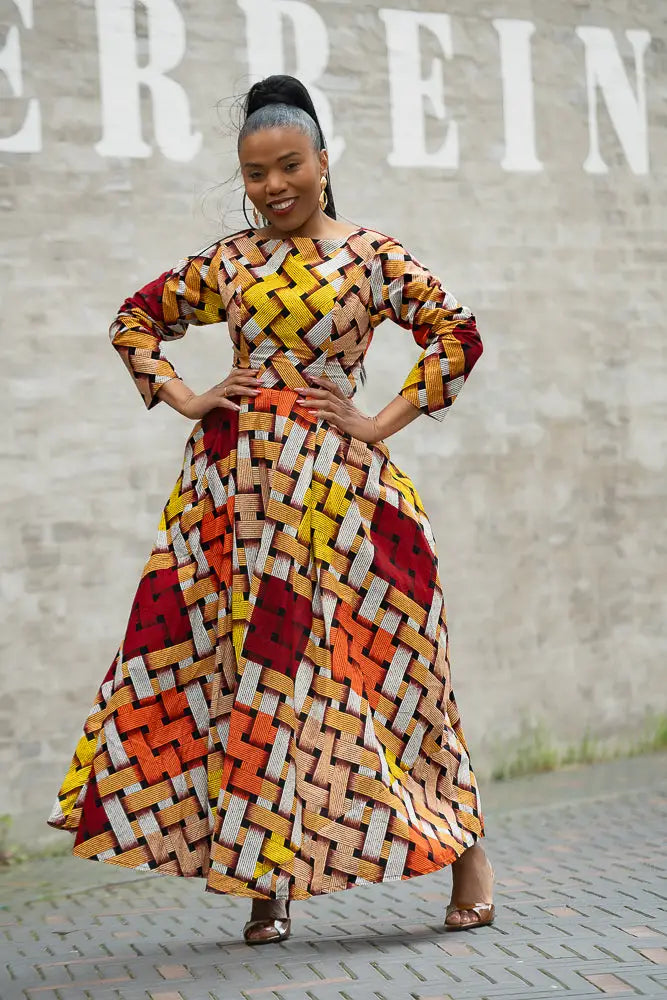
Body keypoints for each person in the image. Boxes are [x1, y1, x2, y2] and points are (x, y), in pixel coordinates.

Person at [48, 74, 494, 944]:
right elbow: (135, 320)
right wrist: (185, 396)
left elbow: (457, 333)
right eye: (255, 174)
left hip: (341, 497)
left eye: (289, 166)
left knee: (396, 678)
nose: (273, 186)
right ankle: (265, 881)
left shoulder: (371, 257)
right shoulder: (228, 262)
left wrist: (378, 422)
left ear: (323, 161)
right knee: (243, 683)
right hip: (233, 504)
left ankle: (467, 856)